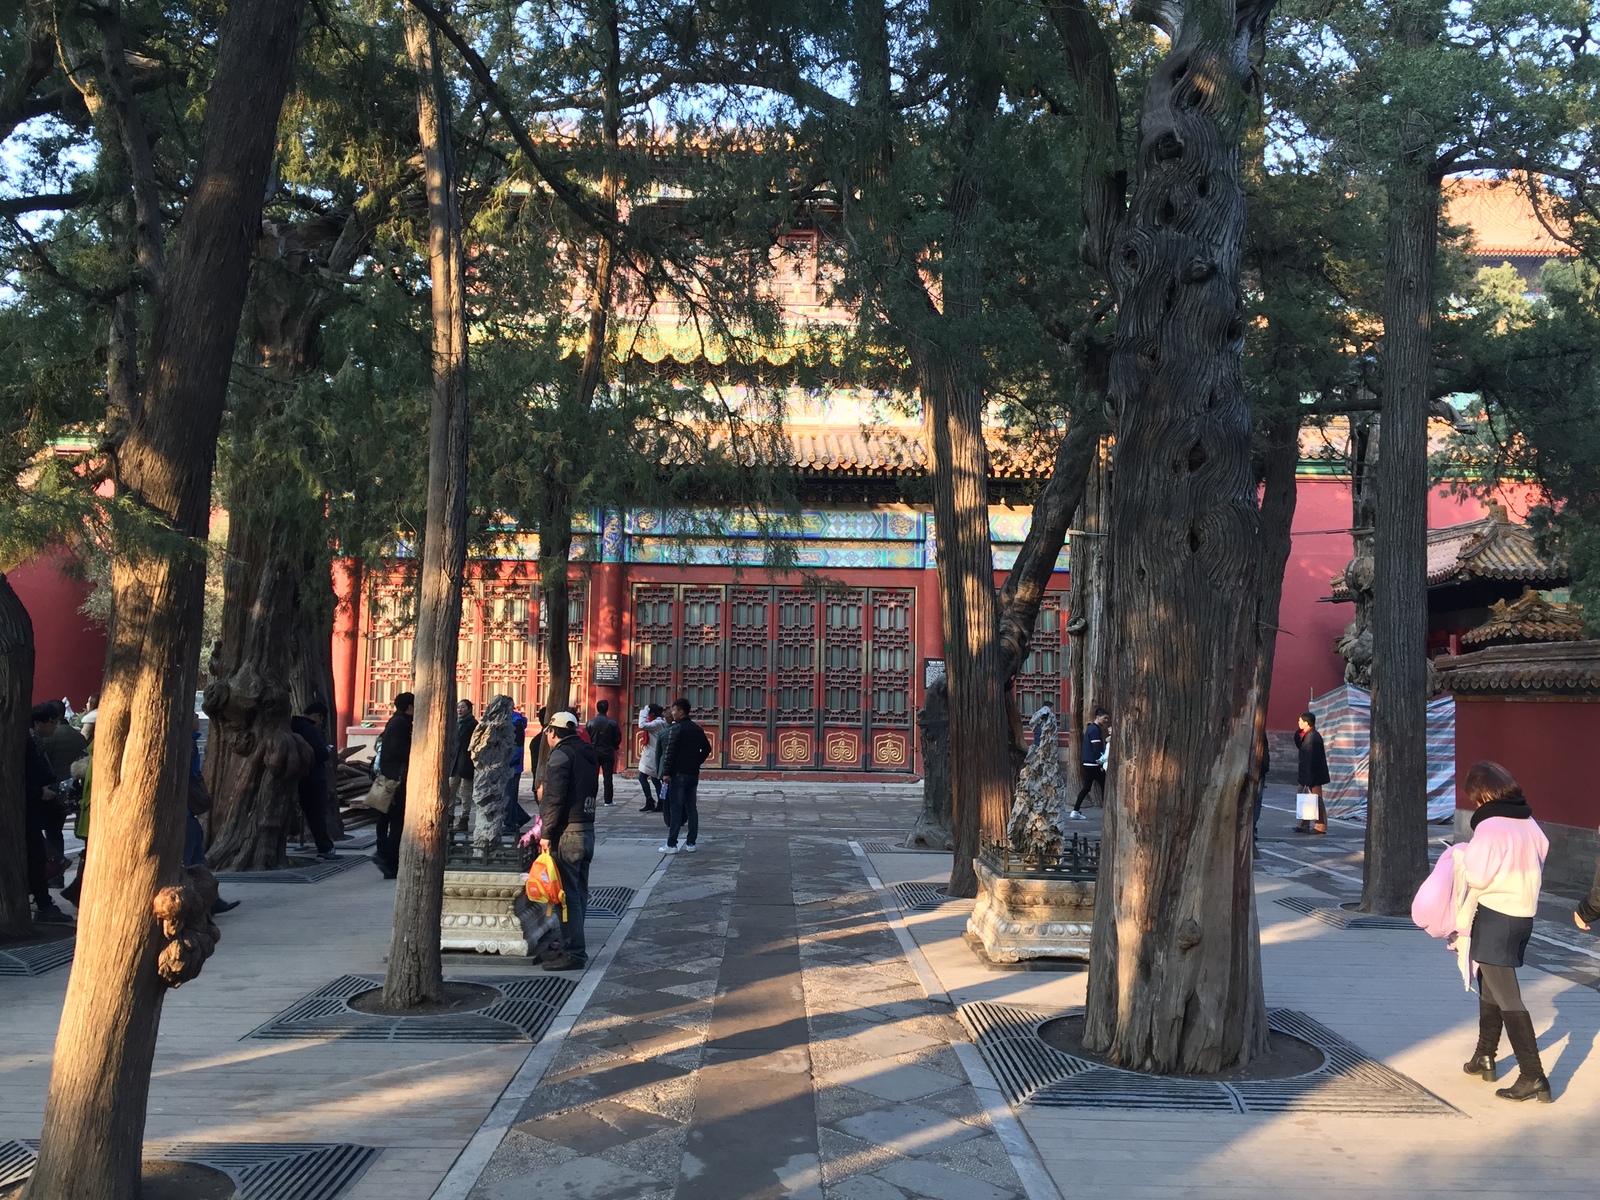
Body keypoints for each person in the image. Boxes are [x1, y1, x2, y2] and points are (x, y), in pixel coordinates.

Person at [1450, 761, 1551, 1102]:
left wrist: (1461, 858)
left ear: (1483, 794)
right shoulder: (1529, 822)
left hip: (1496, 916)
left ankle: (1533, 1074)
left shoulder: (1491, 827)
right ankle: (1485, 1055)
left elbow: (1477, 876)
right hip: (1523, 916)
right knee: (1490, 986)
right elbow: (1543, 853)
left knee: (1507, 996)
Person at [537, 711, 599, 971]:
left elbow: (554, 798)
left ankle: (573, 952)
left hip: (567, 833)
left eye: (548, 733)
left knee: (567, 896)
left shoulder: (561, 755)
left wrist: (546, 833)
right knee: (578, 892)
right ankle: (570, 944)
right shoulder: (588, 753)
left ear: (552, 732)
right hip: (587, 829)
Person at [186, 713, 239, 914]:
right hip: (186, 813)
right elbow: (191, 776)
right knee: (192, 861)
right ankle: (201, 902)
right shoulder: (188, 745)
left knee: (197, 859)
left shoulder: (190, 744)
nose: (198, 720)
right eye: (195, 717)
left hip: (188, 813)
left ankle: (210, 899)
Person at [24, 703, 70, 922]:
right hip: (30, 807)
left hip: (36, 805)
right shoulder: (26, 742)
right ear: (38, 722)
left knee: (39, 853)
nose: (54, 727)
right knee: (36, 855)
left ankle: (41, 899)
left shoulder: (35, 742)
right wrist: (37, 792)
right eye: (51, 722)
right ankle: (43, 902)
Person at [658, 698, 711, 853]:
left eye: (674, 710)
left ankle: (672, 844)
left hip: (678, 773)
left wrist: (666, 772)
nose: (672, 713)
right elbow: (707, 749)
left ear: (681, 712)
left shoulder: (676, 729)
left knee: (676, 808)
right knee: (691, 808)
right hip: (693, 773)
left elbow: (670, 753)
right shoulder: (697, 729)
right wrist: (696, 762)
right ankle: (691, 843)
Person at [290, 702, 339, 861]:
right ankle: (325, 848)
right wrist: (327, 750)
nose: (321, 723)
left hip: (296, 777)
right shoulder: (309, 729)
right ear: (318, 715)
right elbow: (319, 752)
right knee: (317, 814)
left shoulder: (292, 725)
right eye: (321, 719)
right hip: (313, 778)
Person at [373, 692, 414, 879]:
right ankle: (389, 862)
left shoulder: (394, 721)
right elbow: (399, 750)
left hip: (384, 775)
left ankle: (382, 854)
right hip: (395, 778)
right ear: (409, 707)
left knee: (383, 819)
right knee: (395, 822)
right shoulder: (402, 724)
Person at [1070, 707, 1110, 821]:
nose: (1106, 720)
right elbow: (1096, 748)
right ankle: (1107, 812)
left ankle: (1075, 810)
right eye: (1105, 718)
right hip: (1094, 764)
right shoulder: (1094, 730)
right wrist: (1100, 760)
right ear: (1098, 717)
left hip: (1087, 763)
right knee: (1105, 786)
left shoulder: (1092, 728)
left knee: (1086, 788)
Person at [1294, 711, 1331, 835]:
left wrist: (1308, 778)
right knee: (1303, 797)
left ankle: (1320, 826)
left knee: (1316, 799)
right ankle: (1304, 823)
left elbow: (1311, 760)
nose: (1298, 723)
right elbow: (1300, 746)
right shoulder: (1307, 735)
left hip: (1313, 774)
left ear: (1306, 723)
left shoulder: (1313, 738)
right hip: (1307, 773)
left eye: (1300, 721)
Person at [585, 700, 621, 807]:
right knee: (608, 777)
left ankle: (591, 799)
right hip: (608, 753)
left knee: (593, 777)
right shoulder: (612, 723)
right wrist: (613, 746)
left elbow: (587, 738)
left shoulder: (590, 723)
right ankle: (608, 800)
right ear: (607, 709)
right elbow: (618, 738)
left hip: (594, 752)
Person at [450, 699, 477, 833]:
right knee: (450, 790)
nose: (460, 710)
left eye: (463, 707)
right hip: (454, 763)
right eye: (458, 707)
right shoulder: (454, 724)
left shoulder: (474, 724)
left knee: (465, 793)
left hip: (466, 763)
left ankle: (464, 819)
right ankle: (449, 817)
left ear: (469, 709)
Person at [503, 705, 531, 834]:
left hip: (512, 767)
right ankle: (520, 817)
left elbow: (517, 747)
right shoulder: (508, 720)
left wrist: (508, 761)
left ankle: (510, 823)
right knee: (508, 796)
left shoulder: (516, 722)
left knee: (508, 796)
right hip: (507, 765)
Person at [637, 703, 667, 812]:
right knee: (654, 779)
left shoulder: (657, 723)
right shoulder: (659, 721)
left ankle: (653, 801)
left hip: (653, 754)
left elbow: (641, 725)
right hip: (652, 753)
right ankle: (659, 801)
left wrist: (643, 711)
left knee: (646, 778)